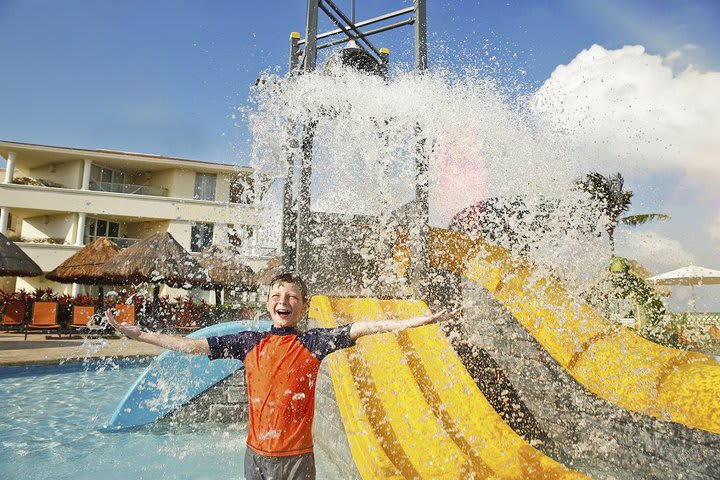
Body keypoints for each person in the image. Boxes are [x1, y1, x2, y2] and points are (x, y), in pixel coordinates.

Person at [107, 272, 460, 480]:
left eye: (292, 296)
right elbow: (190, 346)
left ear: (302, 306)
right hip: (256, 456)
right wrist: (141, 335)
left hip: (297, 459)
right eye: (277, 295)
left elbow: (363, 327)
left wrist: (415, 321)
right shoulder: (247, 342)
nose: (283, 300)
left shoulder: (314, 342)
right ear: (268, 304)